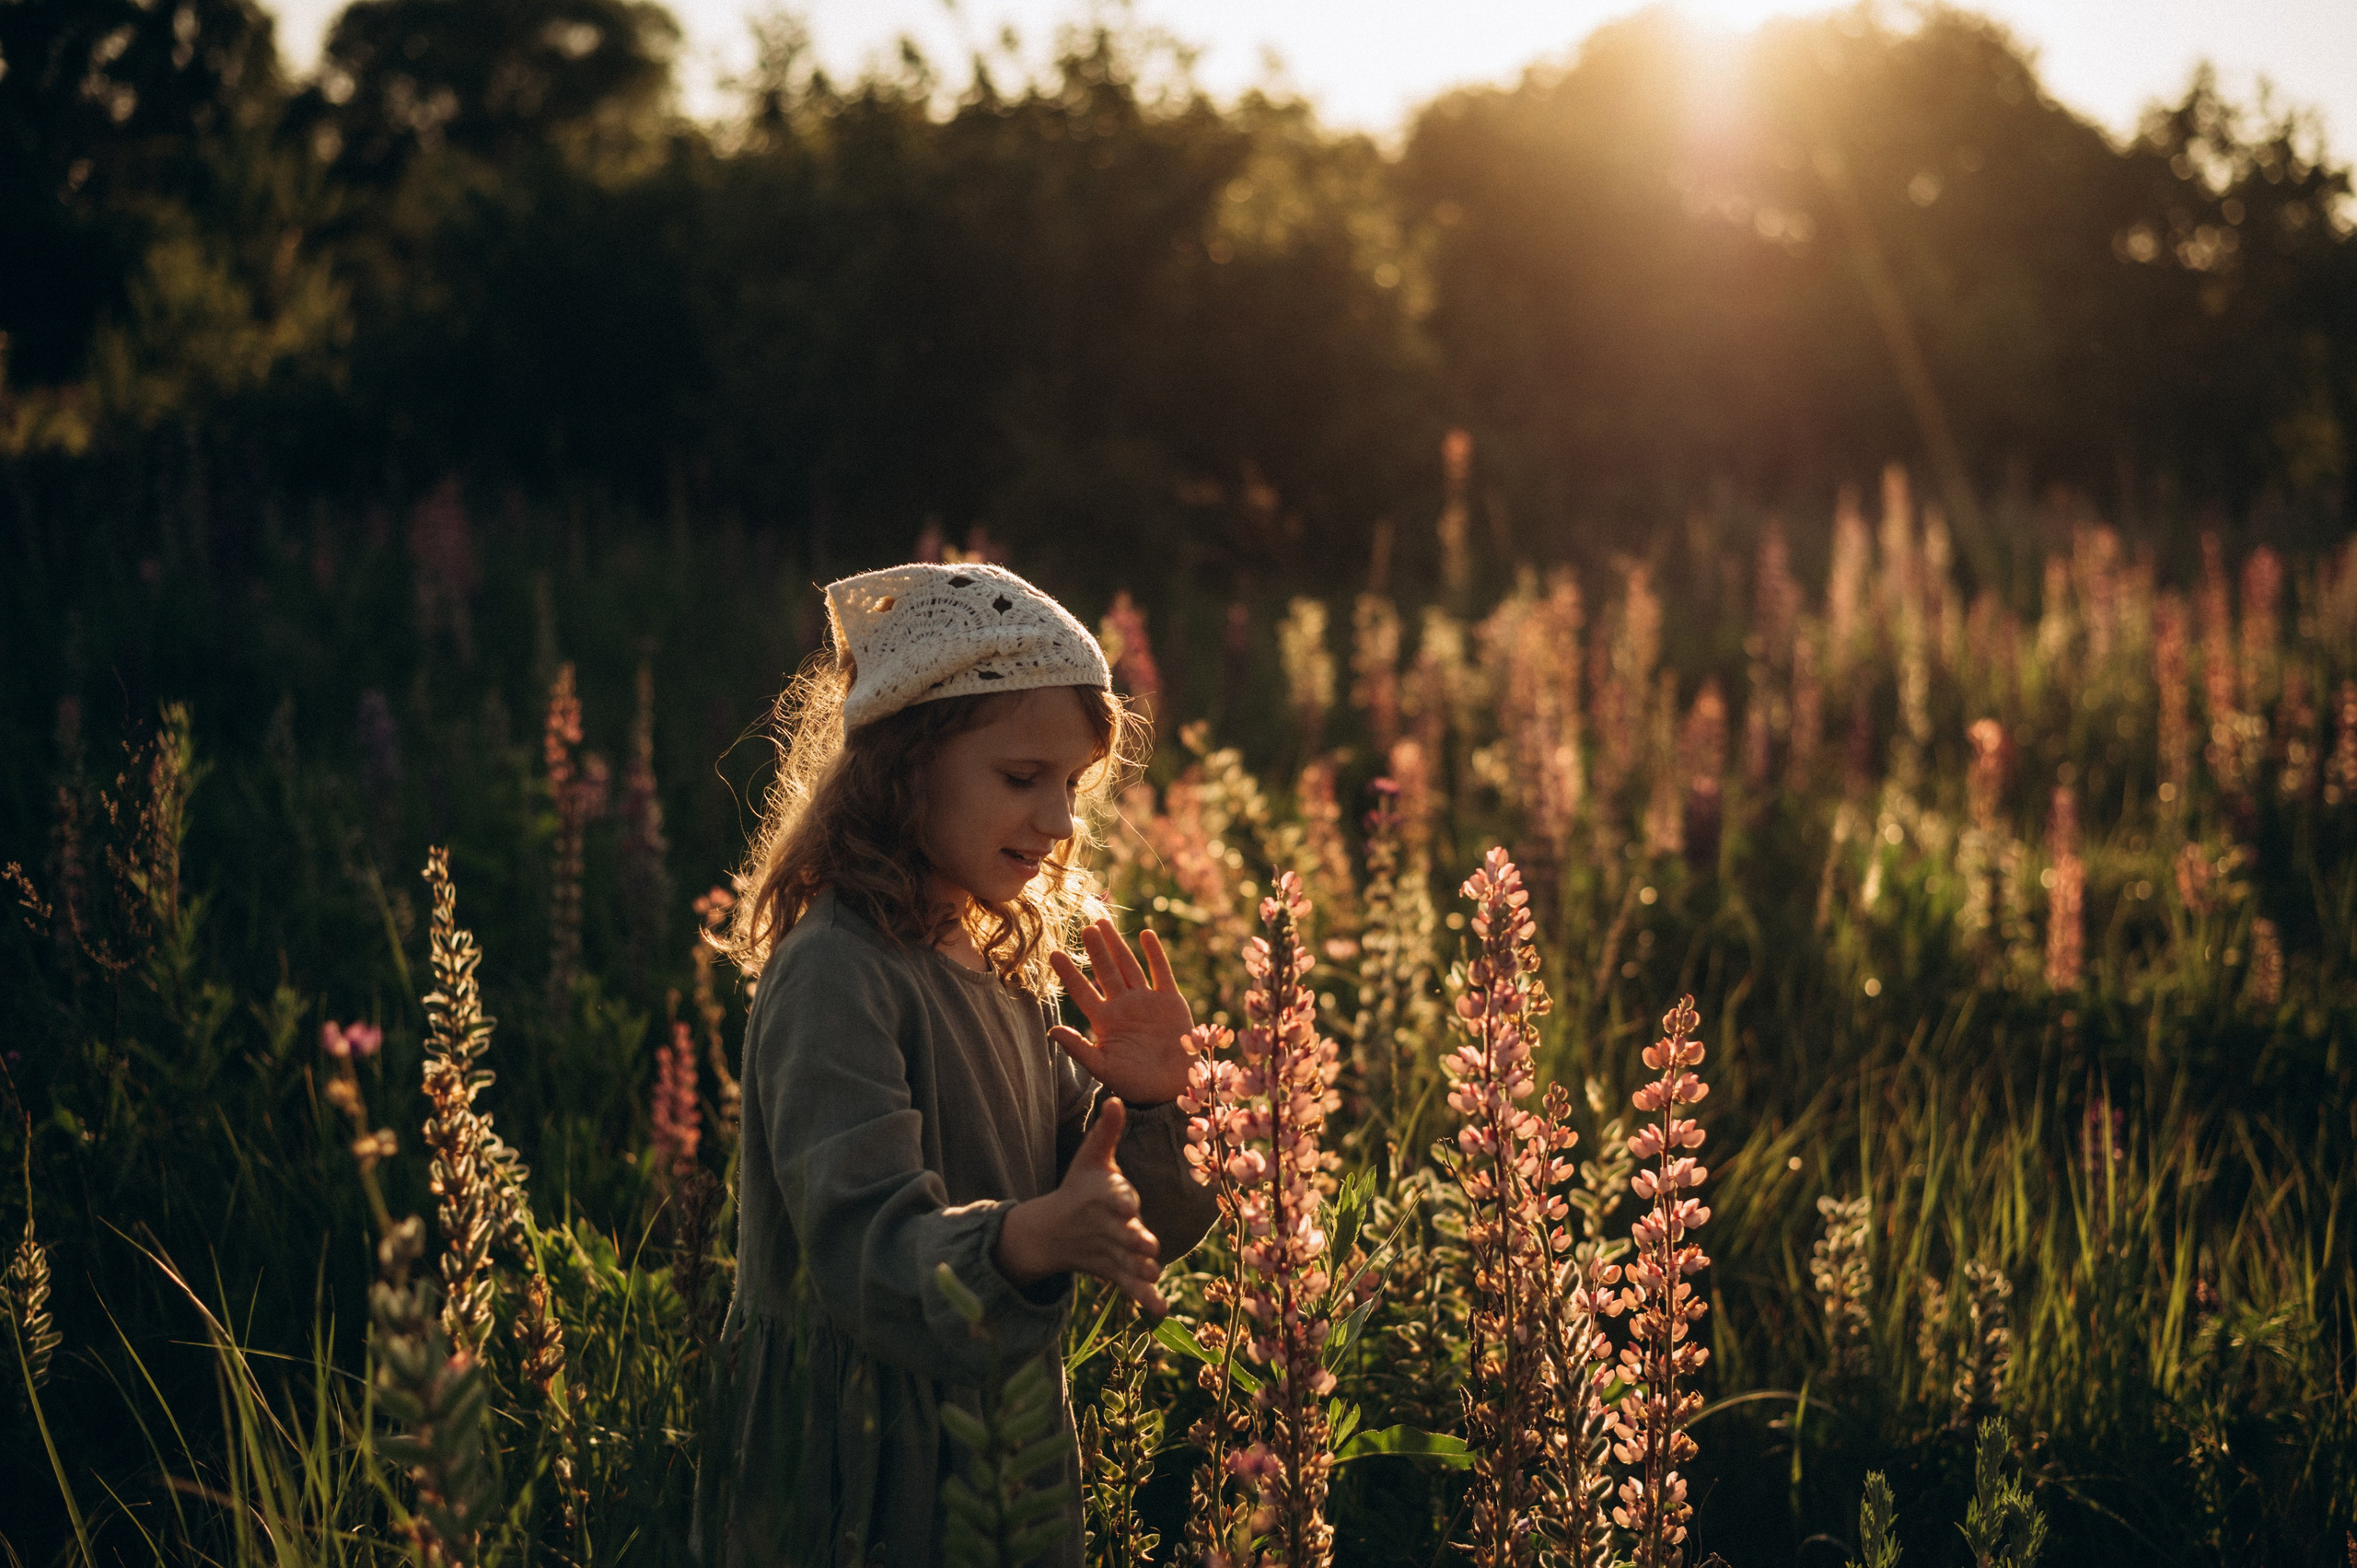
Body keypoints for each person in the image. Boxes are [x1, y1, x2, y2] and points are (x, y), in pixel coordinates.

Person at [692, 562, 1219, 1567]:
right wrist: (1028, 1238)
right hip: (856, 1469)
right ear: (903, 767)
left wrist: (1152, 1107)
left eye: (1072, 785)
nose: (1060, 822)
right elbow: (865, 1254)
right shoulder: (835, 971)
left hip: (1001, 1441)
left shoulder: (1002, 966)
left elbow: (1113, 1220)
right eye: (1022, 778)